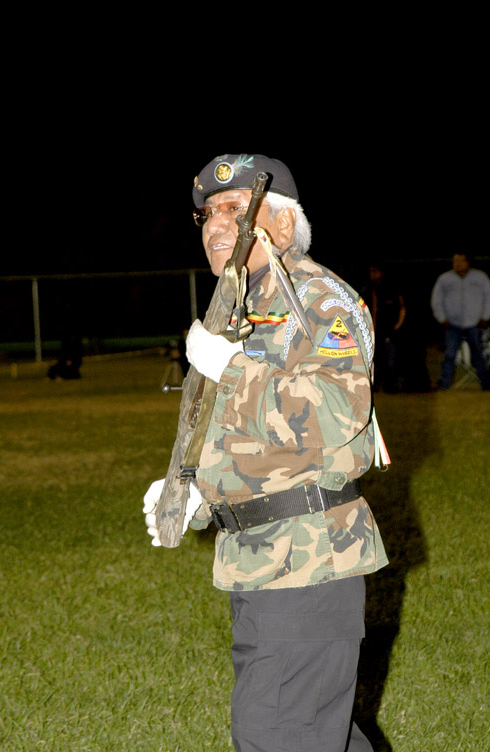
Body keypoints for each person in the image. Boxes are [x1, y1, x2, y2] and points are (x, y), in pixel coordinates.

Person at [144, 154, 389, 752]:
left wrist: (231, 369)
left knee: (276, 735)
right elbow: (254, 442)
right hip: (260, 561)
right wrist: (197, 492)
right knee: (311, 732)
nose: (214, 225)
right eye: (207, 214)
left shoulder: (319, 299)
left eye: (235, 210)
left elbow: (337, 413)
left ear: (281, 226)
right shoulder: (243, 311)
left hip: (309, 558)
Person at [431, 252, 490, 390]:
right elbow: (436, 300)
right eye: (455, 261)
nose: (457, 264)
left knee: (478, 354)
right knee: (450, 354)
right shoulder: (444, 279)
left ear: (468, 262)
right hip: (452, 324)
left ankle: (486, 384)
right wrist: (441, 318)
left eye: (461, 261)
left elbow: (488, 297)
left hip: (474, 323)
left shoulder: (480, 278)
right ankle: (444, 384)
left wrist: (485, 316)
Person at [360, 261, 406, 392]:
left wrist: (397, 326)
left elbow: (401, 308)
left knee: (391, 359)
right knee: (374, 360)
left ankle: (391, 385)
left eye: (375, 271)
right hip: (372, 332)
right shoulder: (366, 290)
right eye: (371, 271)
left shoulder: (391, 289)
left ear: (381, 273)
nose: (372, 275)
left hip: (388, 331)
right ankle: (374, 384)